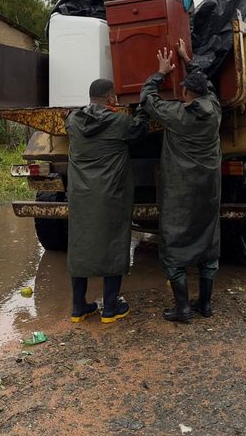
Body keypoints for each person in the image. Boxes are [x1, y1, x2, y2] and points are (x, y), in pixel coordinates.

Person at [140, 39, 222, 322]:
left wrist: (161, 72)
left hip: (180, 191)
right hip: (209, 189)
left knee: (174, 247)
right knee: (209, 244)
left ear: (185, 91)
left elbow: (147, 98)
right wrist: (188, 59)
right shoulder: (215, 110)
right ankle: (206, 305)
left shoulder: (176, 115)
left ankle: (183, 308)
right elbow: (208, 86)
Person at [66, 78, 149, 323]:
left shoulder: (74, 121)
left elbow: (70, 122)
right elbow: (141, 129)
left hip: (81, 197)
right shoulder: (119, 122)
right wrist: (142, 105)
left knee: (79, 247)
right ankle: (110, 309)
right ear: (112, 98)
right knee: (113, 244)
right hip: (111, 196)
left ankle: (78, 308)